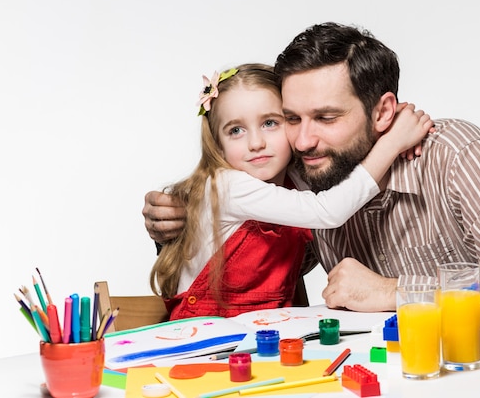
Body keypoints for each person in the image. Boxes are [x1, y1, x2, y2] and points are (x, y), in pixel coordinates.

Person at [144, 23, 480, 335]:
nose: (302, 140)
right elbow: (261, 261)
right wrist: (181, 223)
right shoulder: (308, 175)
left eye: (326, 117)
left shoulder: (453, 153)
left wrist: (392, 292)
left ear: (382, 112)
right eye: (291, 119)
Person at [149, 62, 434, 319]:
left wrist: (389, 124)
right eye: (236, 130)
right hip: (204, 327)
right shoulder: (227, 185)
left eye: (270, 123)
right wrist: (391, 144)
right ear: (217, 144)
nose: (256, 143)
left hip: (264, 326)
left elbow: (345, 174)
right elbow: (328, 211)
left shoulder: (294, 178)